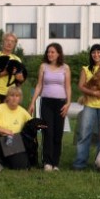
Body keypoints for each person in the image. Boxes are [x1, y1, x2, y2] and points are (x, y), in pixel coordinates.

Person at [28, 42, 72, 172]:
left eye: (53, 52)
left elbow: (68, 87)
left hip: (61, 103)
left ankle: (55, 163)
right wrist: (32, 102)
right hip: (46, 102)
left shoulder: (65, 68)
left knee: (58, 133)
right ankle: (47, 161)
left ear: (58, 54)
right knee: (48, 132)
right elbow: (39, 85)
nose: (50, 54)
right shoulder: (43, 67)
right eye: (48, 52)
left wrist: (68, 103)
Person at [73, 44, 100, 170]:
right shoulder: (86, 69)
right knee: (84, 133)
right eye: (93, 52)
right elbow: (81, 86)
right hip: (89, 104)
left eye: (99, 52)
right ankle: (80, 163)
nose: (96, 55)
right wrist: (94, 93)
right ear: (91, 55)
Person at [0, 85, 32, 172]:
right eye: (12, 95)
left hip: (13, 141)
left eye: (17, 96)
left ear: (20, 98)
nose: (14, 98)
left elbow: (31, 129)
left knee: (21, 166)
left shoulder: (24, 112)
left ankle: (5, 160)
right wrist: (3, 130)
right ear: (7, 97)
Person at [0, 32, 25, 112]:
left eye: (12, 41)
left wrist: (19, 78)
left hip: (11, 95)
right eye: (7, 40)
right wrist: (5, 73)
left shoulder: (17, 59)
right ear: (3, 42)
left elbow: (20, 81)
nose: (9, 43)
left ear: (15, 44)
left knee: (9, 121)